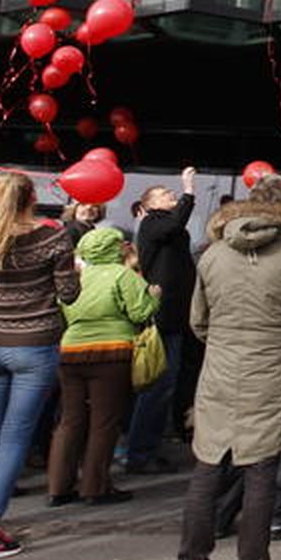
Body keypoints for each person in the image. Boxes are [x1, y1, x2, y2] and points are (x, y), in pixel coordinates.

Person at [177, 175, 281, 560]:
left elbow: (198, 321)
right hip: (274, 372)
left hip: (220, 372)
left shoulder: (213, 254)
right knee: (260, 474)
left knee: (207, 471)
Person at [0, 172, 79, 560]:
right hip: (33, 346)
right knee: (14, 439)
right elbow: (68, 293)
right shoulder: (52, 236)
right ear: (32, 197)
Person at [47, 228, 160, 506]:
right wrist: (154, 295)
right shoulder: (122, 275)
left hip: (71, 350)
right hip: (111, 352)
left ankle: (58, 487)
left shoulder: (75, 276)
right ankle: (95, 487)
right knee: (104, 421)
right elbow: (140, 312)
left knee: (70, 420)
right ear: (115, 248)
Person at [126, 167, 197, 474]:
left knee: (166, 385)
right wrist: (189, 191)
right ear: (149, 205)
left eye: (174, 194)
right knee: (157, 387)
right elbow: (174, 224)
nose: (172, 196)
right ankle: (140, 453)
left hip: (175, 317)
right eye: (165, 194)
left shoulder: (166, 227)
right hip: (164, 318)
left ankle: (149, 447)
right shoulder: (153, 223)